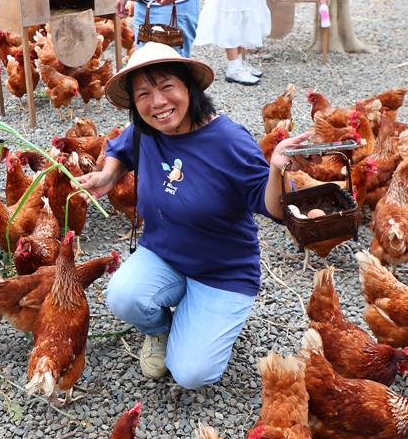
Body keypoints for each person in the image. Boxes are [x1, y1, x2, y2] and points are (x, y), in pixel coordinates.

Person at [75, 41, 313, 389]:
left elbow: (274, 209)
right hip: (164, 255)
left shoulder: (228, 141)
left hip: (222, 271)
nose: (156, 102)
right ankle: (161, 329)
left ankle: (206, 314)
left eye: (166, 86)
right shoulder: (145, 130)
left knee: (191, 374)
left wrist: (277, 170)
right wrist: (109, 175)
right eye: (143, 93)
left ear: (189, 86)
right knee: (122, 295)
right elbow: (120, 146)